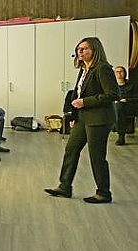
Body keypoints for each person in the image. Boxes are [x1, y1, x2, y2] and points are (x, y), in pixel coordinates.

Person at [45, 37, 119, 204]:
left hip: (99, 119)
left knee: (96, 156)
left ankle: (103, 192)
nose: (80, 51)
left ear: (95, 50)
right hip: (83, 119)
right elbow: (77, 95)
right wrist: (73, 116)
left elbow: (113, 94)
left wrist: (85, 102)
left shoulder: (103, 69)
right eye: (79, 49)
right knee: (71, 150)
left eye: (85, 48)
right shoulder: (84, 70)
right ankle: (65, 187)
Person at [113, 66, 136, 145]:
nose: (119, 73)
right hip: (116, 107)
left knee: (119, 107)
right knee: (118, 107)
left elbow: (136, 98)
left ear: (124, 73)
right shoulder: (111, 86)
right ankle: (121, 136)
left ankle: (121, 137)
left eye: (121, 71)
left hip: (130, 106)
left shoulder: (131, 85)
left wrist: (127, 100)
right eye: (117, 72)